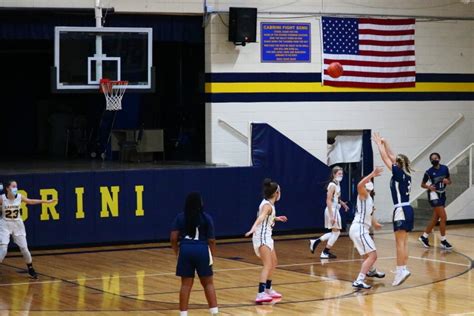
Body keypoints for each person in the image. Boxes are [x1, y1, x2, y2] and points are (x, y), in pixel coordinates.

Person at [372, 133, 414, 286]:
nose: (392, 161)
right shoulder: (406, 174)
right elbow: (391, 156)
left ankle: (401, 269)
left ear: (397, 164)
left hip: (401, 210)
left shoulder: (397, 173)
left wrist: (379, 145)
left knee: (399, 243)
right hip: (408, 209)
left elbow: (385, 157)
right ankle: (403, 268)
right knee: (404, 242)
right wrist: (386, 141)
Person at [170, 192, 218, 316]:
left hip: (185, 250)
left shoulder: (180, 217)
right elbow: (211, 240)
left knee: (185, 285)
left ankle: (184, 314)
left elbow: (173, 237)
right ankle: (214, 312)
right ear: (200, 204)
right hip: (202, 250)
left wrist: (177, 251)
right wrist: (211, 256)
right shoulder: (207, 217)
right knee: (208, 283)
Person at [0, 180, 56, 279]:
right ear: (7, 188)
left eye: (16, 186)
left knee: (25, 249)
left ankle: (30, 268)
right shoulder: (2, 198)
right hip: (5, 224)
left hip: (17, 224)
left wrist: (45, 201)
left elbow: (30, 201)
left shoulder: (20, 197)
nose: (15, 188)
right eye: (13, 186)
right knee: (3, 249)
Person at [245, 178, 288, 304]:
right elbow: (261, 217)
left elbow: (267, 217)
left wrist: (276, 218)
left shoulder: (268, 204)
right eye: (280, 191)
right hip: (261, 237)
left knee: (274, 262)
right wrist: (252, 228)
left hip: (267, 236)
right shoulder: (267, 206)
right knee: (268, 265)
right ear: (276, 193)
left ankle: (268, 289)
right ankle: (260, 293)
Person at [349, 166, 386, 289]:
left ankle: (371, 271)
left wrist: (375, 223)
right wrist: (372, 174)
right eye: (368, 181)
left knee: (368, 255)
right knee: (373, 256)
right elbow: (359, 185)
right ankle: (359, 280)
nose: (370, 182)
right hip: (359, 228)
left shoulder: (369, 198)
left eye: (370, 181)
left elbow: (370, 214)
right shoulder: (363, 194)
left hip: (359, 229)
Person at [309, 166, 349, 259]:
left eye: (342, 174)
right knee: (337, 232)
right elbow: (328, 200)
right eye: (339, 173)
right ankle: (324, 252)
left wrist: (343, 204)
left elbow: (336, 197)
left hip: (334, 209)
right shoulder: (332, 185)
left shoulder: (337, 183)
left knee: (335, 232)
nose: (341, 175)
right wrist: (331, 216)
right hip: (332, 210)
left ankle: (316, 242)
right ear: (334, 174)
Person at [419, 153, 453, 250]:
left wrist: (448, 181)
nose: (434, 160)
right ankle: (443, 240)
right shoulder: (428, 172)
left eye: (436, 158)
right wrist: (429, 186)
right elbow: (422, 184)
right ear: (430, 161)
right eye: (432, 159)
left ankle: (424, 237)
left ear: (439, 158)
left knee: (435, 218)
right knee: (443, 217)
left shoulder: (445, 168)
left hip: (442, 194)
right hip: (433, 195)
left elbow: (450, 181)